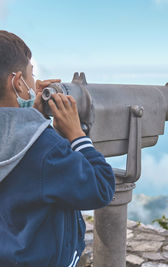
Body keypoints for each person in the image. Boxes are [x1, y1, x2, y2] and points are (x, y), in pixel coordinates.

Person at [0, 31, 115, 266]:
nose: (34, 84)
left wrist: (34, 117)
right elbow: (101, 186)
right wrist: (76, 135)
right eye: (31, 76)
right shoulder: (45, 149)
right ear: (16, 82)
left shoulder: (35, 145)